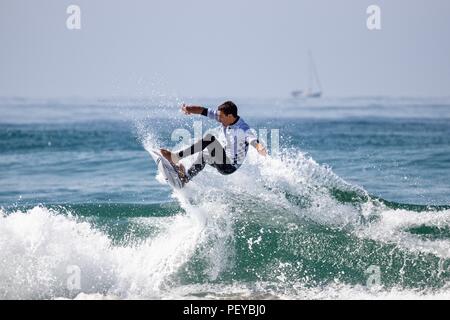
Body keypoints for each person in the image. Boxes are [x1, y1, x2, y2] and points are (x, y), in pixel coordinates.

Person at [160, 101, 267, 185]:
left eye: (221, 117)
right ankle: (186, 178)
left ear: (230, 116)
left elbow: (253, 140)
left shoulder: (242, 128)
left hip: (230, 166)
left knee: (209, 139)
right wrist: (188, 109)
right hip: (223, 159)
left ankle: (177, 157)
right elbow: (204, 111)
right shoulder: (225, 117)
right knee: (203, 155)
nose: (218, 119)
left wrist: (259, 148)